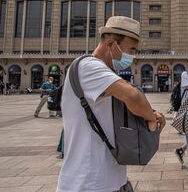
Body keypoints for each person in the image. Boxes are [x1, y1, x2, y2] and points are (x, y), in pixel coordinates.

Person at [57, 16, 166, 192]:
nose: (133, 56)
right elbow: (133, 97)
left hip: (108, 180)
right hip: (88, 183)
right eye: (131, 49)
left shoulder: (104, 73)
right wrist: (152, 117)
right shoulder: (89, 66)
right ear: (110, 43)